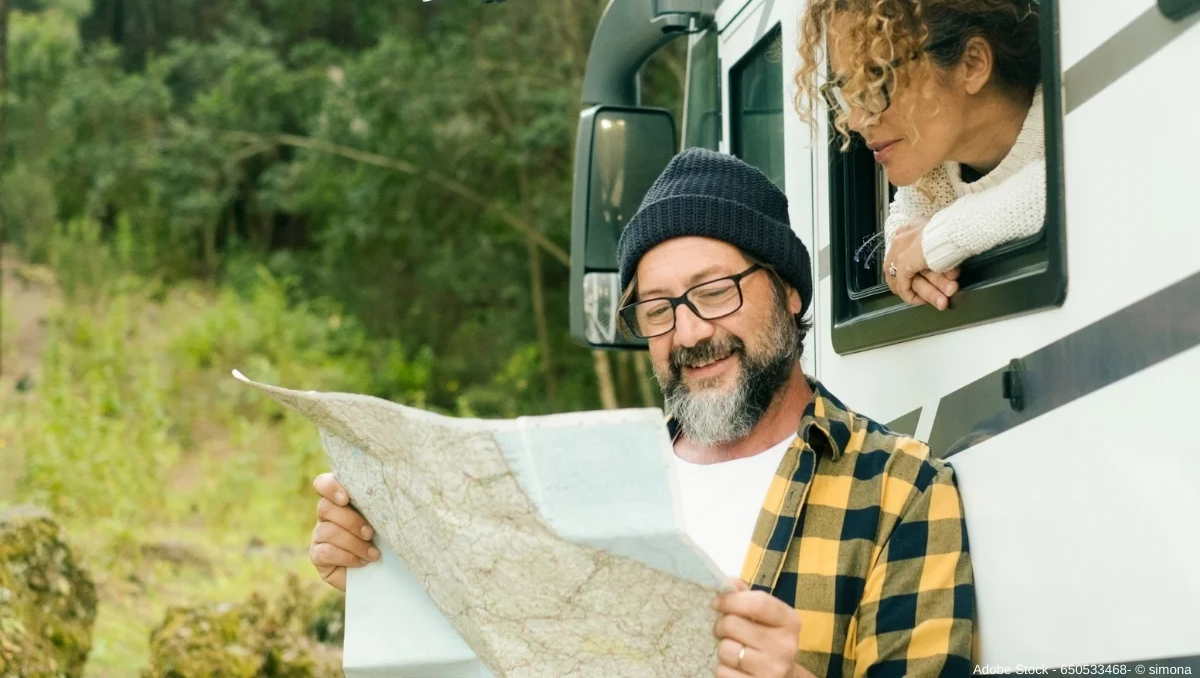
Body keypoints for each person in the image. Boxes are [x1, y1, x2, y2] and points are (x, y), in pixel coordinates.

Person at [309, 148, 975, 677]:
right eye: (657, 310)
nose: (687, 334)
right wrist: (381, 575)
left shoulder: (902, 490)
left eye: (712, 292)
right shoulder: (582, 487)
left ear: (790, 291)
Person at [794, 0, 1045, 310]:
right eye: (848, 91)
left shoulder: (1074, 112)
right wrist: (903, 259)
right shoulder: (935, 173)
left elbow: (1076, 180)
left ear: (972, 64)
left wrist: (944, 236)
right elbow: (905, 228)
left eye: (876, 82)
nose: (857, 121)